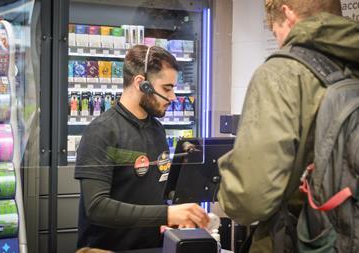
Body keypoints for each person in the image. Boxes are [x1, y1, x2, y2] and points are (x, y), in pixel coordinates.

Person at [217, 0, 359, 252]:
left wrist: (228, 194)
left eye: (276, 32)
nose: (281, 41)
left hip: (298, 239)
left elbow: (250, 199)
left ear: (287, 13)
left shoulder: (282, 73)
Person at [75, 45, 209, 251]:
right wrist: (167, 214)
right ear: (141, 84)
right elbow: (96, 207)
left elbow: (151, 194)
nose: (173, 97)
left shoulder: (157, 130)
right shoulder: (102, 131)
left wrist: (173, 217)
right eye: (166, 88)